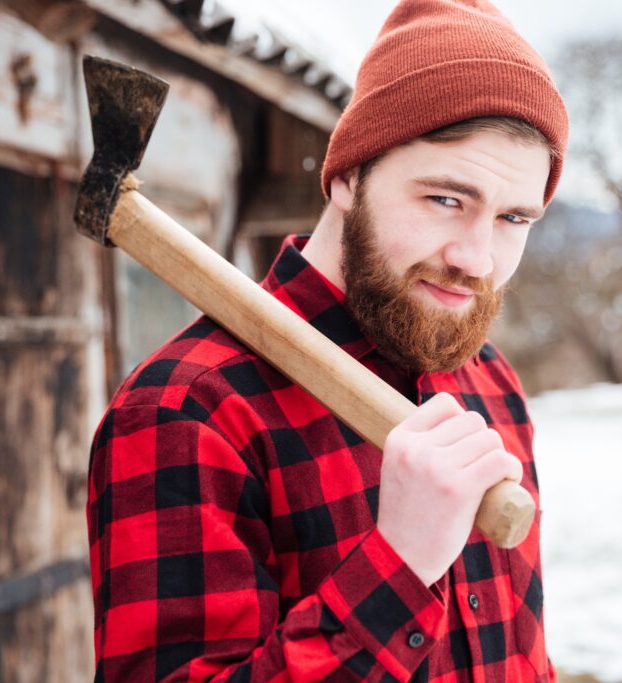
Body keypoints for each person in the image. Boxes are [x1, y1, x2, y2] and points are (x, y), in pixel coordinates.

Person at [86, 0, 569, 680]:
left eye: (514, 216)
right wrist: (398, 566)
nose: (477, 258)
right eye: (445, 199)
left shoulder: (487, 379)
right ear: (347, 175)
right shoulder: (188, 411)